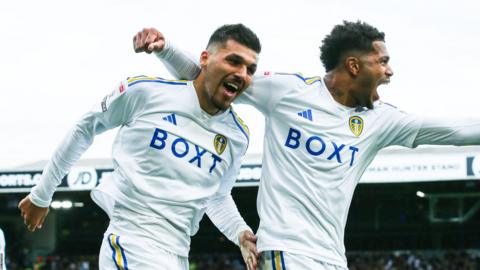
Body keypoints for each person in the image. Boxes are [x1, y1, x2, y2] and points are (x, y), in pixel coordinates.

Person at [133, 21, 480, 270]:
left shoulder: (380, 121)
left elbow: (452, 130)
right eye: (383, 61)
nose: (390, 72)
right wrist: (164, 49)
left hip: (332, 258)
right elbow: (209, 73)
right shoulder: (288, 92)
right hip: (285, 252)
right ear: (354, 65)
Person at [19, 23, 262, 270]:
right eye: (233, 61)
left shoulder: (237, 136)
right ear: (204, 58)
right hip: (132, 240)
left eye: (250, 69)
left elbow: (218, 196)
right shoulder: (145, 93)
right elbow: (85, 129)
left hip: (177, 252)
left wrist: (240, 232)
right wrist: (42, 194)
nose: (242, 74)